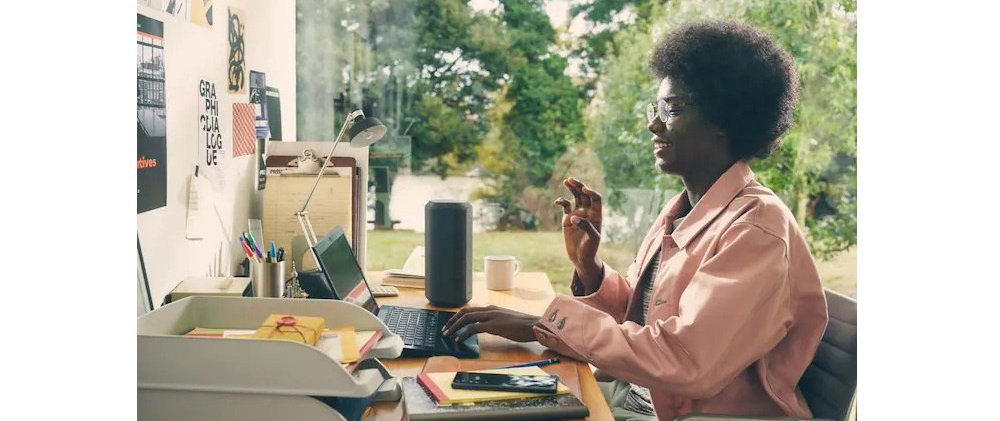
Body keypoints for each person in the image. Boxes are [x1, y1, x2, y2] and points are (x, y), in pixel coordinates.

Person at [442, 20, 828, 420]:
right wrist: (590, 269)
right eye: (655, 109)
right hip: (634, 399)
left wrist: (545, 323)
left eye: (672, 109)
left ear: (725, 118)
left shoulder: (756, 230)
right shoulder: (683, 210)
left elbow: (684, 359)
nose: (653, 124)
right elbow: (644, 321)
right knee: (471, 399)